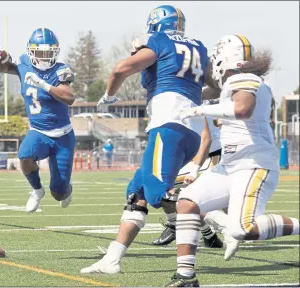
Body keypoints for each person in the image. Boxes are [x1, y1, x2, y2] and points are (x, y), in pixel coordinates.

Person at [80, 5, 209, 274]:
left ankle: (214, 222)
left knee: (154, 193)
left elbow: (120, 69)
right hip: (190, 131)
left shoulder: (158, 40)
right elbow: (213, 86)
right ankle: (112, 258)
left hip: (168, 126)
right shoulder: (198, 47)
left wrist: (109, 96)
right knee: (136, 193)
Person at [165, 35, 299, 287]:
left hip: (253, 164)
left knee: (242, 229)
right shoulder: (235, 82)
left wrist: (200, 109)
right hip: (230, 164)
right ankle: (185, 276)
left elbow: (242, 109)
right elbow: (211, 92)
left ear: (224, 57)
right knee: (186, 202)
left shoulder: (243, 79)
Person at [0, 28, 75, 213]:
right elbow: (2, 66)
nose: (44, 57)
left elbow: (69, 97)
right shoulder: (24, 63)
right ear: (31, 51)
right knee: (24, 156)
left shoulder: (61, 69)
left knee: (59, 193)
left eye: (48, 53)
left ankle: (67, 189)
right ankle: (36, 190)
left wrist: (43, 84)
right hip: (39, 132)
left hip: (63, 135)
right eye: (40, 53)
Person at [153, 87, 223, 247]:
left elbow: (206, 140)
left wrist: (194, 170)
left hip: (210, 160)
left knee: (164, 185)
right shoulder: (192, 99)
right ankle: (209, 236)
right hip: (203, 159)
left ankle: (174, 224)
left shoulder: (194, 100)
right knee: (183, 197)